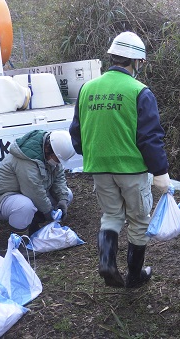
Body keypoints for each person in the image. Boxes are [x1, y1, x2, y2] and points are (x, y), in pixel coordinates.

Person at [69, 31, 170, 288]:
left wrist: (90, 153)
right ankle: (135, 276)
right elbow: (150, 137)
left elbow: (76, 132)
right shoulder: (139, 91)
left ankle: (107, 262)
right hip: (131, 168)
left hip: (99, 167)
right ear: (136, 62)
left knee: (111, 215)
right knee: (138, 219)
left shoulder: (87, 89)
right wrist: (160, 171)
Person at [0, 129, 75, 236]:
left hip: (24, 194)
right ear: (48, 149)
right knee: (25, 206)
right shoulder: (26, 159)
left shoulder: (51, 154)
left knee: (68, 194)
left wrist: (62, 200)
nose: (58, 162)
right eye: (57, 159)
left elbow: (59, 178)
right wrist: (48, 212)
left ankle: (33, 223)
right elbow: (34, 191)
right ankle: (20, 240)